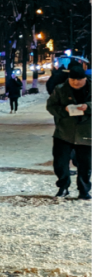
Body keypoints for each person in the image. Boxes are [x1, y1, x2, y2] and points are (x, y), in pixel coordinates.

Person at [46, 62, 92, 200]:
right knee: (60, 163)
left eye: (79, 80)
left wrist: (88, 107)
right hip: (64, 132)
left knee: (86, 164)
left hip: (87, 133)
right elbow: (51, 106)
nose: (76, 83)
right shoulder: (60, 89)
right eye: (73, 80)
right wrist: (64, 110)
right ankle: (63, 187)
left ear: (85, 79)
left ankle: (84, 190)